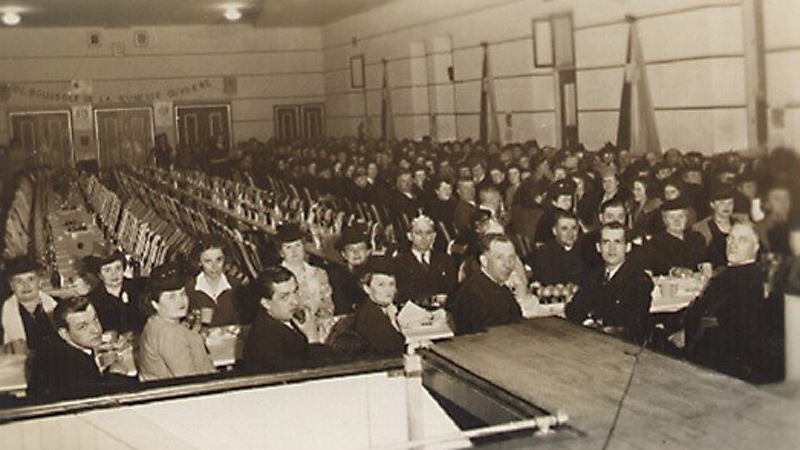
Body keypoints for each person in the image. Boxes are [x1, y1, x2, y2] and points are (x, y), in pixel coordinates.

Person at [682, 223, 767, 381]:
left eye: (742, 240)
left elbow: (727, 324)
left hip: (717, 357)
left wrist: (685, 333)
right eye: (730, 239)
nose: (733, 245)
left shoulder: (739, 278)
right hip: (715, 347)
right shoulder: (738, 274)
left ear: (756, 247)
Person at [28, 296, 137, 399]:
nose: (96, 330)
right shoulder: (70, 364)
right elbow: (96, 398)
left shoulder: (59, 347)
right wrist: (114, 374)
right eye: (83, 327)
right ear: (64, 333)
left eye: (95, 320)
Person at [566, 223, 654, 344]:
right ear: (598, 247)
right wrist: (590, 323)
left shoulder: (639, 280)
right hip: (592, 341)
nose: (611, 248)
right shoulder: (593, 276)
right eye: (606, 242)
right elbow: (573, 309)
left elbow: (633, 323)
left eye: (617, 242)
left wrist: (593, 320)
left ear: (627, 247)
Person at [138, 263, 216, 381]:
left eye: (183, 294)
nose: (181, 301)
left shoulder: (155, 322)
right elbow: (190, 381)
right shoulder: (170, 333)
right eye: (172, 297)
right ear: (155, 304)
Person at [242, 267, 327, 373]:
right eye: (284, 297)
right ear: (265, 303)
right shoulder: (265, 342)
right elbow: (317, 374)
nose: (295, 301)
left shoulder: (288, 319)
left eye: (295, 292)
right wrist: (313, 339)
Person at [450, 234, 522, 334]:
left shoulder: (502, 287)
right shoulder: (472, 294)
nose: (508, 264)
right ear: (484, 261)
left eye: (511, 258)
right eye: (500, 258)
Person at [274, 223, 335, 327]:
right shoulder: (274, 278)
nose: (294, 251)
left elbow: (328, 305)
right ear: (281, 252)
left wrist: (323, 313)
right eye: (288, 247)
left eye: (298, 245)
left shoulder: (319, 273)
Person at [393, 215, 457, 309]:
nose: (424, 237)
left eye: (428, 233)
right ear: (409, 236)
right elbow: (401, 295)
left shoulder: (446, 261)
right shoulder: (398, 263)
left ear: (434, 236)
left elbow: (453, 292)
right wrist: (432, 299)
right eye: (418, 233)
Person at [184, 235, 244, 326]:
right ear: (199, 262)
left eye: (219, 260)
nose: (214, 266)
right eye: (208, 261)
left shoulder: (236, 286)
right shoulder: (190, 288)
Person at [1, 256, 58, 352]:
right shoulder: (4, 314)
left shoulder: (57, 308)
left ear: (39, 282)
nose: (25, 285)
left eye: (31, 279)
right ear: (11, 285)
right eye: (19, 281)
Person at [85, 248, 146, 334]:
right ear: (99, 275)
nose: (114, 274)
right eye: (107, 270)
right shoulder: (93, 299)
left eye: (118, 268)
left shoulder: (139, 287)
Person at [642, 197, 708, 276]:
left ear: (686, 218)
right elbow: (657, 266)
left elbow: (704, 260)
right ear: (664, 220)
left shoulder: (697, 238)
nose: (677, 221)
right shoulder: (656, 242)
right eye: (672, 217)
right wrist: (674, 271)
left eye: (681, 216)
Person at [353, 257, 406, 355]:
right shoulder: (369, 317)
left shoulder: (384, 310)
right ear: (367, 289)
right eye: (381, 285)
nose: (388, 290)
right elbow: (392, 350)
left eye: (391, 284)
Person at [528, 211, 586, 286]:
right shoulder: (544, 253)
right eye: (564, 229)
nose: (570, 233)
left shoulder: (585, 251)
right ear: (554, 231)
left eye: (574, 228)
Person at [328, 224, 371, 314]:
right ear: (344, 254)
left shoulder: (374, 275)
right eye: (351, 250)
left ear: (368, 252)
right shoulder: (336, 278)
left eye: (361, 248)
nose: (356, 253)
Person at [692, 184, 736, 268]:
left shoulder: (741, 224)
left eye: (730, 203)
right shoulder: (700, 228)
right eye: (721, 203)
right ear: (712, 205)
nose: (726, 207)